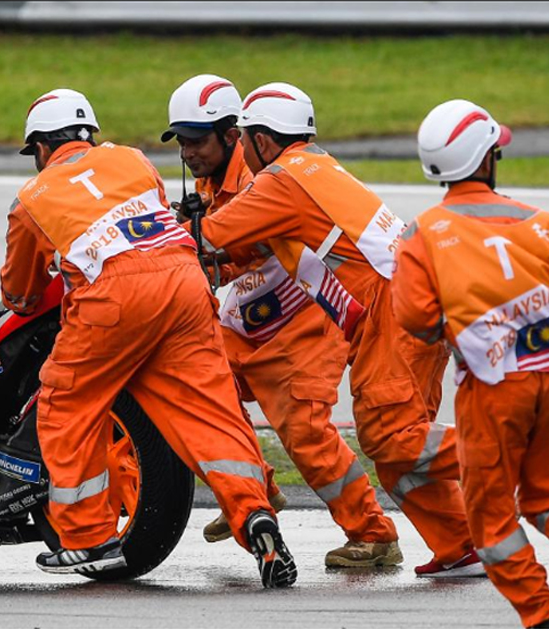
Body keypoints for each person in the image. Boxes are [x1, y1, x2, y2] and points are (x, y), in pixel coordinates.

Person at [0, 88, 296, 587]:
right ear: (89, 135)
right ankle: (255, 515)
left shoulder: (32, 198)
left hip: (113, 299)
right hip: (184, 285)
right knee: (209, 412)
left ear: (42, 148)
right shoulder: (132, 159)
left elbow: (20, 293)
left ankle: (88, 538)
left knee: (68, 405)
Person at [192, 82, 483, 577]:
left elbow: (204, 237)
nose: (241, 149)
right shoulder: (312, 166)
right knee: (399, 449)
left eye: (244, 138)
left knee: (391, 435)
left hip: (395, 308)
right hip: (405, 302)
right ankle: (461, 547)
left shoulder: (281, 179)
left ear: (261, 140)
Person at [392, 99, 549, 628]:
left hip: (492, 388)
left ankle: (544, 615)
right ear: (486, 160)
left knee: (491, 519)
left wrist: (453, 325)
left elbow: (414, 317)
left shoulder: (422, 234)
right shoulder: (538, 222)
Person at [162, 74, 401, 568]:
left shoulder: (267, 177)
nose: (187, 152)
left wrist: (175, 238)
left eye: (197, 140)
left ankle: (374, 534)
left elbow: (230, 243)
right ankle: (252, 489)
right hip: (250, 315)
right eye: (181, 141)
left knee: (304, 430)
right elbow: (231, 258)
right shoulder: (211, 178)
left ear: (235, 136)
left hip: (306, 316)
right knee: (191, 384)